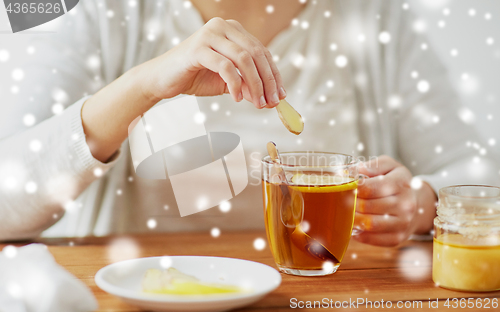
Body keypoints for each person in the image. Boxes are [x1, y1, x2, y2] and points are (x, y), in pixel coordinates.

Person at [0, 0, 498, 245]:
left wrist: (421, 202)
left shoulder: (373, 18)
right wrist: (143, 86)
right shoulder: (105, 13)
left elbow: (479, 173)